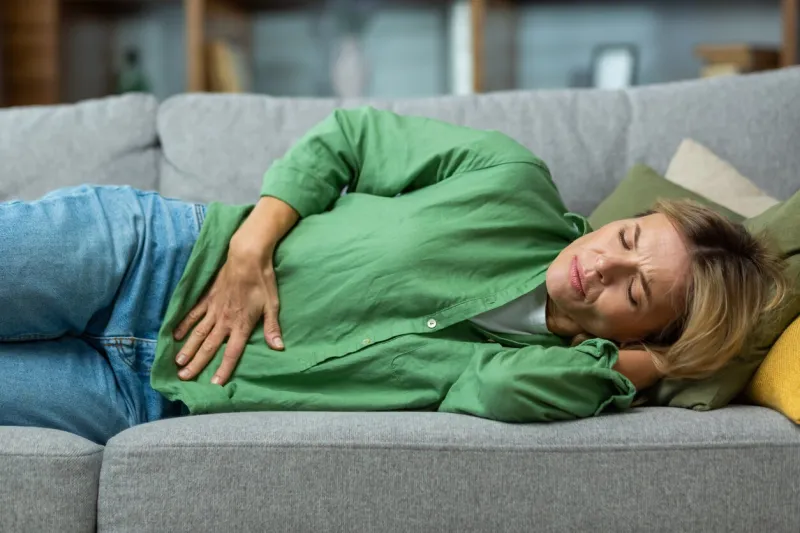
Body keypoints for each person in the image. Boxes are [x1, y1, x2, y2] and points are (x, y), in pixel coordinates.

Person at [0, 107, 786, 444]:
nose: (599, 263)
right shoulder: (511, 179)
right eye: (626, 235)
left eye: (634, 291)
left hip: (154, 395)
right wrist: (249, 251)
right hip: (152, 255)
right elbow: (350, 137)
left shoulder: (554, 372)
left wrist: (650, 368)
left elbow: (497, 393)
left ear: (650, 333)